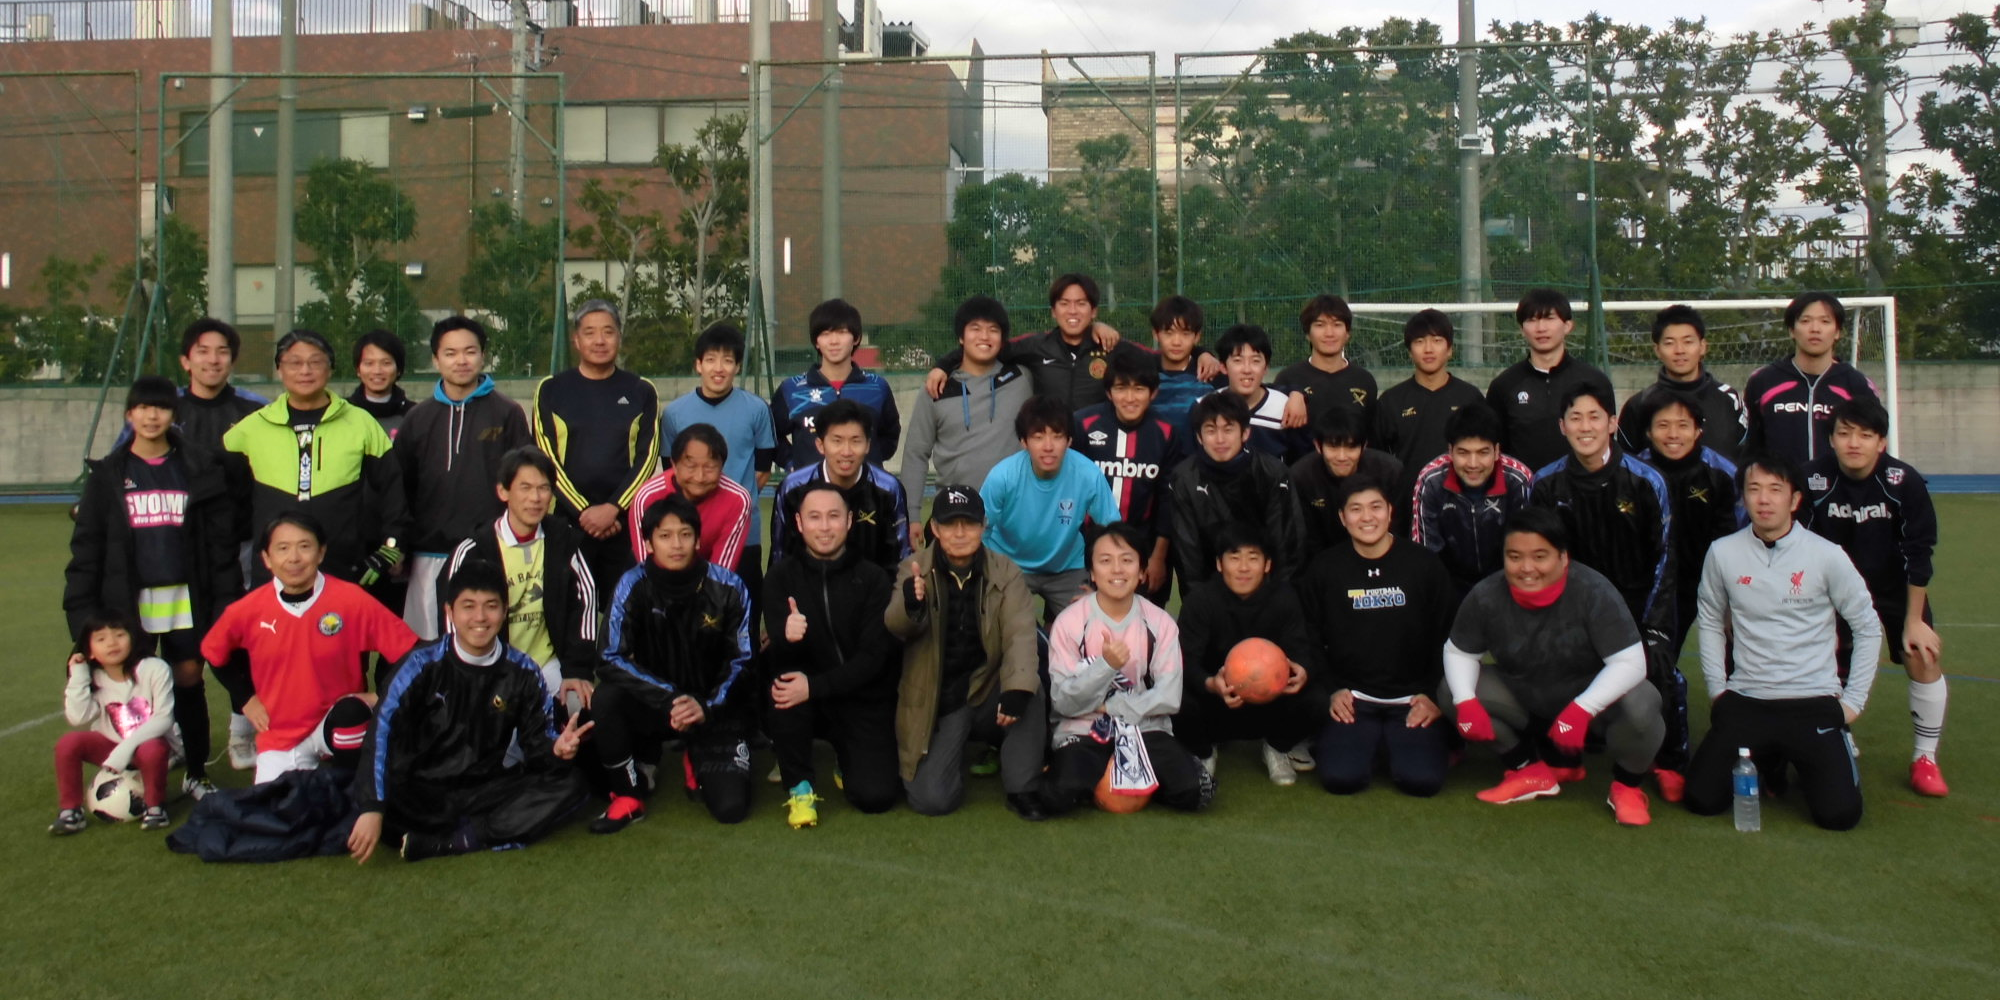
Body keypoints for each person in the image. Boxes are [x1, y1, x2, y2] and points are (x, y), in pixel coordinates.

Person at [1686, 452, 1881, 831]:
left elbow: (1867, 626)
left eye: (1775, 490)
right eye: (1754, 489)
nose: (1764, 499)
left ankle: (1821, 750)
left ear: (1794, 500)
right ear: (1743, 497)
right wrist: (1717, 690)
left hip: (1813, 700)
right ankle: (1769, 758)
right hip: (1748, 698)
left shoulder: (1827, 556)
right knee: (1701, 799)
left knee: (1839, 816)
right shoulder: (1722, 552)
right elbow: (1709, 621)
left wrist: (1853, 702)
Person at [346, 560, 591, 863]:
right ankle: (472, 831)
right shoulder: (419, 665)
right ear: (450, 612)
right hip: (418, 794)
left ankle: (458, 841)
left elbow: (536, 746)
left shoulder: (524, 672)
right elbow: (380, 733)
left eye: (491, 606)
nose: (480, 617)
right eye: (468, 606)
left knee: (572, 784)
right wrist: (373, 807)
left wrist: (556, 750)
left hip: (482, 791)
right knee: (375, 802)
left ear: (505, 611)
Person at [65, 376, 238, 800]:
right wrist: (82, 620)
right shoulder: (109, 474)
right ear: (130, 414)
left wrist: (224, 601)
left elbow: (220, 545)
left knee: (188, 679)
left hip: (185, 597)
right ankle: (140, 768)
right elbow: (87, 548)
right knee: (131, 684)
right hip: (129, 601)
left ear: (173, 415)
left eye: (160, 408)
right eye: (143, 408)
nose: (151, 416)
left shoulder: (197, 467)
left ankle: (196, 771)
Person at [1442, 508, 1665, 826]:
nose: (1526, 568)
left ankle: (1626, 787)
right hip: (1525, 698)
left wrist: (1582, 710)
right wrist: (1465, 702)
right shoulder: (1486, 595)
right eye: (1514, 557)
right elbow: (1459, 652)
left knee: (1642, 701)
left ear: (1562, 558)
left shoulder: (1594, 591)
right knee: (1451, 690)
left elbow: (1631, 663)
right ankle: (1527, 769)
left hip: (1590, 708)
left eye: (1539, 556)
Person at [1529, 382, 1685, 798]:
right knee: (1552, 665)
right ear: (1562, 426)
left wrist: (1654, 626)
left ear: (1613, 423)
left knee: (1660, 672)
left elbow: (1665, 557)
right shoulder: (1545, 484)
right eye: (1575, 418)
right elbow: (1539, 558)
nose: (1585, 427)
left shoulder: (1647, 481)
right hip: (1573, 607)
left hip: (1637, 605)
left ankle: (1668, 760)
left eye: (1594, 417)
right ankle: (1565, 753)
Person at [200, 513, 420, 784]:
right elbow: (214, 653)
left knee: (352, 715)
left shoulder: (351, 599)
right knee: (276, 808)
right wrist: (246, 699)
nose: (294, 558)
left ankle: (351, 788)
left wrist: (380, 696)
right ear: (267, 558)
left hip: (335, 725)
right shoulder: (247, 610)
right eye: (283, 548)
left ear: (321, 552)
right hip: (280, 734)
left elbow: (412, 652)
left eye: (304, 546)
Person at [1803, 398, 1949, 796]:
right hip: (1831, 590)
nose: (1854, 443)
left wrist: (1913, 621)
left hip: (1891, 586)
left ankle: (1925, 758)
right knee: (1820, 660)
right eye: (1845, 433)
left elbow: (1919, 553)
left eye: (1865, 435)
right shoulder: (1812, 479)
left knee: (1922, 653)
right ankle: (1839, 735)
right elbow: (1798, 545)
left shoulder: (1904, 482)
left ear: (1881, 442)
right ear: (1831, 439)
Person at [592, 495, 755, 831]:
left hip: (711, 707)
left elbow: (743, 660)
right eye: (665, 536)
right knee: (606, 697)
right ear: (649, 543)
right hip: (657, 704)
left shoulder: (729, 586)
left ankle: (695, 752)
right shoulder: (632, 584)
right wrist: (670, 698)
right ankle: (628, 795)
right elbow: (609, 656)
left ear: (697, 539)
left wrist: (705, 706)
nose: (676, 544)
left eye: (685, 534)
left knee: (731, 809)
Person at [885, 485, 1048, 819]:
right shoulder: (913, 569)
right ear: (935, 528)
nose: (960, 533)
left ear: (983, 526)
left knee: (1029, 688)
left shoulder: (1005, 571)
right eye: (950, 524)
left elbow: (1020, 631)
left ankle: (1022, 787)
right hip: (939, 697)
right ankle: (953, 752)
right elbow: (895, 626)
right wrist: (912, 604)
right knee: (932, 800)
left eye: (969, 523)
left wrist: (1017, 688)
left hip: (987, 687)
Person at [1041, 522, 1212, 815]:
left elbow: (1170, 696)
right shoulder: (1069, 622)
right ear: (1092, 573)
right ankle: (1074, 770)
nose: (1117, 570)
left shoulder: (1160, 622)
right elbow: (1063, 702)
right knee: (1058, 796)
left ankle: (1140, 776)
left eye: (1127, 560)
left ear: (1142, 571)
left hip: (1144, 727)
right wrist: (1106, 666)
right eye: (1106, 561)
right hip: (1083, 728)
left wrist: (1114, 707)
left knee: (1191, 793)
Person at [1302, 478, 1455, 798]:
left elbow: (1448, 635)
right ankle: (1366, 741)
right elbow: (1310, 636)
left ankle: (1396, 743)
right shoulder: (1324, 568)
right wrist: (1332, 690)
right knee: (1341, 779)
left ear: (1390, 512)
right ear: (1342, 517)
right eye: (1356, 509)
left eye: (1375, 507)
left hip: (1412, 698)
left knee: (1422, 781)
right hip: (1354, 699)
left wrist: (1433, 695)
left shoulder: (1424, 564)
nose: (1367, 517)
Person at [222, 329, 409, 588]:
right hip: (271, 577)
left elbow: (393, 491)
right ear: (279, 369)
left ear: (330, 369)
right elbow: (224, 503)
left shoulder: (360, 423)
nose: (305, 371)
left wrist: (390, 549)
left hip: (343, 571)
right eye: (295, 362)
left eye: (315, 362)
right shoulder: (250, 429)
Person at [764, 484, 901, 827]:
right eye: (814, 517)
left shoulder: (873, 579)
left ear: (849, 521)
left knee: (875, 797)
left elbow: (873, 658)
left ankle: (845, 753)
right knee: (782, 682)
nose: (824, 527)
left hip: (860, 695)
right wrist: (786, 636)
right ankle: (799, 785)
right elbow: (779, 658)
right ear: (799, 523)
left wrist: (816, 686)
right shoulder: (780, 577)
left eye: (833, 516)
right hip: (805, 697)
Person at [396, 315, 533, 639]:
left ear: (482, 355)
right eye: (451, 353)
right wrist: (400, 544)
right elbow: (401, 487)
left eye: (470, 351)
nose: (461, 360)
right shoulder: (417, 418)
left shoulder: (507, 413)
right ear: (436, 359)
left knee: (486, 637)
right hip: (429, 554)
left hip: (491, 551)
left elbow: (523, 481)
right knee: (429, 646)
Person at [440, 447, 599, 707]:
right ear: (503, 492)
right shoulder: (474, 550)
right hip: (489, 665)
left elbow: (585, 602)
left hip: (547, 664)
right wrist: (463, 671)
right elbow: (450, 616)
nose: (535, 498)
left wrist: (577, 670)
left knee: (579, 706)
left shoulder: (564, 540)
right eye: (525, 488)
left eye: (543, 488)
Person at [531, 299, 661, 597]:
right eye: (590, 333)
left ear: (619, 337)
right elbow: (545, 458)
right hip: (567, 523)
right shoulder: (550, 389)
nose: (599, 340)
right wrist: (584, 512)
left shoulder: (641, 390)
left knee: (627, 610)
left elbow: (647, 458)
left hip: (625, 524)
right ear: (576, 340)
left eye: (608, 331)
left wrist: (613, 508)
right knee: (569, 611)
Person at [1173, 523, 1319, 786]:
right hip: (1217, 702)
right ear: (1219, 564)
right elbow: (1185, 661)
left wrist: (1302, 671)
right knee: (1173, 696)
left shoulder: (1284, 598)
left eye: (1253, 558)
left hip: (1271, 702)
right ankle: (1203, 751)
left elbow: (1302, 650)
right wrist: (1211, 684)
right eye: (1234, 557)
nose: (1243, 567)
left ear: (1267, 564)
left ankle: (1277, 747)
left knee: (1318, 699)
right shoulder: (1200, 600)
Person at [660, 322, 778, 626]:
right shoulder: (674, 413)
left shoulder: (756, 409)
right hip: (690, 529)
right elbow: (671, 473)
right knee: (690, 616)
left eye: (727, 360)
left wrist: (732, 504)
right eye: (711, 359)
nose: (719, 368)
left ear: (737, 366)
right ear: (698, 364)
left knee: (743, 613)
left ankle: (747, 660)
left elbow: (763, 470)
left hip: (744, 532)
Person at [897, 294, 1032, 549]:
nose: (984, 336)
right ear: (961, 337)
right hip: (955, 514)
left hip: (1012, 515)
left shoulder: (1022, 378)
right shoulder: (936, 389)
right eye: (975, 329)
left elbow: (1057, 346)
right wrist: (912, 514)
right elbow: (916, 454)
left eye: (993, 330)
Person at [978, 395, 1121, 619]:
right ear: (1024, 442)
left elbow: (1113, 531)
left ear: (1069, 440)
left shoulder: (1088, 474)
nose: (1048, 447)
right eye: (1038, 437)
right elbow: (979, 529)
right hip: (1010, 566)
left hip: (1068, 567)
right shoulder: (1002, 477)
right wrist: (990, 571)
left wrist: (1101, 585)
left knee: (1091, 623)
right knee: (1008, 629)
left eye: (1057, 436)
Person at [924, 273, 1148, 413]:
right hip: (1050, 451)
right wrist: (943, 365)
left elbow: (1155, 359)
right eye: (1064, 303)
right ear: (1053, 311)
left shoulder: (1110, 345)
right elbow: (986, 347)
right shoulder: (1035, 346)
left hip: (1097, 453)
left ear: (1093, 311)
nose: (1072, 311)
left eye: (1081, 304)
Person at [1635, 391, 1744, 659]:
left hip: (1709, 582)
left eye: (1683, 425)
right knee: (1654, 662)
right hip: (1652, 587)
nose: (1673, 434)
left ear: (1698, 430)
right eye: (1663, 425)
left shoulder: (1723, 474)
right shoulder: (1634, 473)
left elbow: (1739, 537)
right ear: (1648, 431)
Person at [51, 610, 178, 834]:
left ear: (133, 638)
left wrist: (124, 749)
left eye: (119, 635)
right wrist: (78, 674)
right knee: (68, 743)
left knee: (152, 749)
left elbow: (164, 718)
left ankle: (155, 808)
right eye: (101, 639)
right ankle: (70, 812)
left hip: (148, 745)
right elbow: (78, 717)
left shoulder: (154, 668)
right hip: (111, 745)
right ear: (89, 650)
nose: (111, 643)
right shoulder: (95, 676)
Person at [1073, 351, 1183, 603]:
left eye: (1139, 389)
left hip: (1143, 546)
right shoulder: (1083, 424)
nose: (1130, 398)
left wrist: (1158, 557)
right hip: (1086, 545)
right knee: (1079, 616)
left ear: (1153, 393)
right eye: (1121, 388)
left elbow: (1167, 499)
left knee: (1143, 619)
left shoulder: (1166, 432)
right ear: (1109, 392)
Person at [1167, 392, 1305, 586]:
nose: (1220, 439)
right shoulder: (1184, 479)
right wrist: (1201, 600)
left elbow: (1287, 547)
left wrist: (1277, 596)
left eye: (1228, 429)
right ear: (1199, 437)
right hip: (1210, 592)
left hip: (1268, 589)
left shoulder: (1273, 473)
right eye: (1211, 430)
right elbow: (1188, 556)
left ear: (1245, 433)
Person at [1412, 403, 1536, 605]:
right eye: (1463, 453)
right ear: (1450, 451)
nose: (1473, 464)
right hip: (1451, 586)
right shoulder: (1431, 480)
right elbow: (1426, 553)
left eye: (1482, 452)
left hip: (1507, 583)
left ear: (1497, 451)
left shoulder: (1518, 479)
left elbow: (1527, 548)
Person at [770, 399, 910, 572]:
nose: (846, 452)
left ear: (868, 445)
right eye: (837, 441)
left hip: (874, 588)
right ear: (820, 445)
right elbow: (780, 558)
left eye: (855, 441)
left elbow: (900, 561)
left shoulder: (889, 489)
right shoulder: (793, 488)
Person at [1484, 288, 1615, 472]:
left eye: (1549, 318)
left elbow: (1607, 443)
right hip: (1525, 487)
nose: (1541, 328)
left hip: (1583, 485)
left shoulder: (1594, 381)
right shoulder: (1504, 385)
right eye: (1532, 320)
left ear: (1568, 325)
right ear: (1522, 329)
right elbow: (1494, 448)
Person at [1743, 291, 1880, 466]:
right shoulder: (1763, 381)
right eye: (1805, 321)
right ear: (1792, 330)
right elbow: (1750, 446)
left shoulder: (1857, 385)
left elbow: (1874, 446)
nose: (1815, 329)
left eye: (1825, 321)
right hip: (1780, 482)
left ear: (1837, 332)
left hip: (1837, 484)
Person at [770, 298, 901, 471]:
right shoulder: (791, 389)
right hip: (810, 486)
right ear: (816, 341)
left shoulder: (878, 387)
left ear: (856, 338)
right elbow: (771, 436)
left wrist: (868, 463)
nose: (833, 341)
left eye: (841, 332)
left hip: (865, 486)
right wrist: (793, 464)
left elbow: (890, 436)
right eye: (825, 334)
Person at [1374, 309, 1485, 507]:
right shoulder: (1391, 401)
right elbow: (1377, 460)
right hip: (1407, 506)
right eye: (1419, 341)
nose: (1428, 349)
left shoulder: (1470, 397)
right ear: (1410, 352)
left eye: (1437, 340)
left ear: (1450, 349)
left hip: (1463, 505)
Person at [1614, 305, 1748, 462]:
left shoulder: (1729, 399)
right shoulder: (1638, 405)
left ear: (1703, 347)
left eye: (1688, 342)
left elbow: (1745, 457)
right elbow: (1627, 463)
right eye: (1669, 343)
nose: (1679, 350)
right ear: (1657, 350)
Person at [628, 424, 753, 573]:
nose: (699, 477)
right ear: (674, 465)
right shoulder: (647, 496)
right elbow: (646, 567)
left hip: (706, 579)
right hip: (655, 580)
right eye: (691, 466)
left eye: (710, 467)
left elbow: (720, 573)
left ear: (722, 467)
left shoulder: (738, 499)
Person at [1290, 406, 1402, 560]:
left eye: (1351, 447)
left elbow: (1398, 527)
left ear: (1364, 446)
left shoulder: (1389, 471)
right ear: (1318, 446)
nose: (1342, 457)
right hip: (1323, 560)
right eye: (1333, 447)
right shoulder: (1301, 476)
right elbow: (1306, 538)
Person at [1202, 323, 1310, 463]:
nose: (1247, 369)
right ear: (1223, 367)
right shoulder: (1205, 407)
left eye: (1255, 361)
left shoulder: (1287, 408)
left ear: (1266, 367)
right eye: (1238, 360)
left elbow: (1301, 463)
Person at [164, 317, 269, 454]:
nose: (213, 360)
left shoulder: (258, 410)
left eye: (222, 352)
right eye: (203, 351)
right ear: (185, 362)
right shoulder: (165, 407)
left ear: (233, 362)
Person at [1276, 293, 1377, 433]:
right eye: (1320, 325)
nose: (1329, 333)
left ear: (1347, 333)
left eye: (1337, 324)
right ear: (1308, 334)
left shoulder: (1364, 380)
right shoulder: (1288, 379)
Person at [1147, 294, 1218, 430]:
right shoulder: (1141, 371)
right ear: (1156, 334)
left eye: (1185, 334)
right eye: (1169, 333)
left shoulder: (1210, 372)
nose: (1176, 342)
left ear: (1197, 337)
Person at [346, 328, 415, 438]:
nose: (377, 371)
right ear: (358, 369)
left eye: (386, 363)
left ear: (398, 369)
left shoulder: (415, 415)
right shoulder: (342, 412)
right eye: (369, 363)